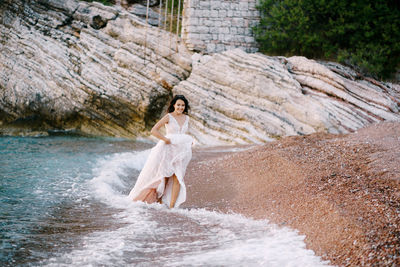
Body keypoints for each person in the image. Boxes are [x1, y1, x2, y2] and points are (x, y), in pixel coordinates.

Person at [128, 95, 193, 208]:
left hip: (181, 151)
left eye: (183, 105)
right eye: (178, 105)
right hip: (167, 149)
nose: (180, 107)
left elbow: (183, 134)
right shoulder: (168, 117)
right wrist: (165, 139)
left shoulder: (187, 118)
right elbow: (154, 130)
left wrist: (189, 142)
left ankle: (172, 207)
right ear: (174, 105)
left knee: (178, 177)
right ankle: (159, 201)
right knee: (164, 177)